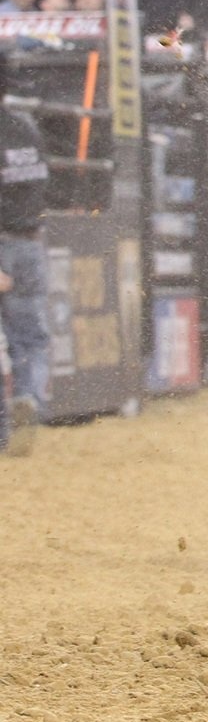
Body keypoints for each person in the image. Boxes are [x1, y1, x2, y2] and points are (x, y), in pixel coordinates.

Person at [0, 54, 51, 457]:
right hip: (29, 240)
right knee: (30, 336)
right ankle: (30, 397)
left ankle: (4, 427)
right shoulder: (26, 129)